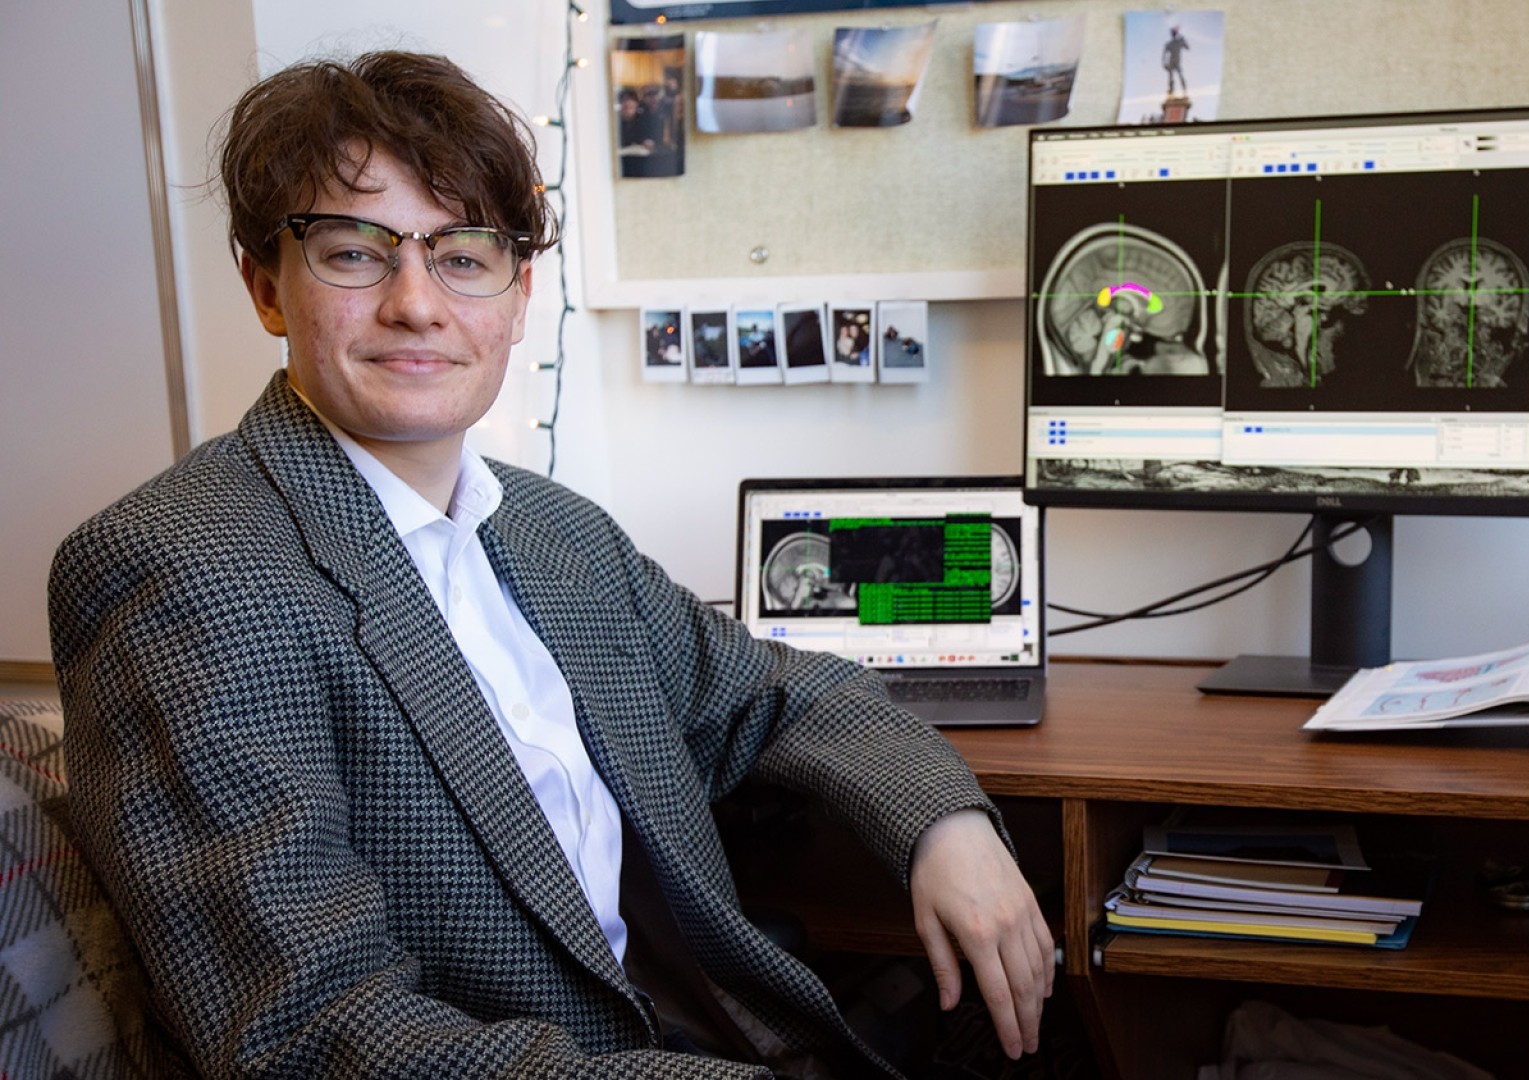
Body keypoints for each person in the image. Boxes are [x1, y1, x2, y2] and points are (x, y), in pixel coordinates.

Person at [48, 51, 1050, 1079]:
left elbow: (783, 692)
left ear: (518, 295)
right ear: (267, 285)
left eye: (464, 256)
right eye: (354, 253)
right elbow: (312, 1037)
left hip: (710, 1026)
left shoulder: (551, 529)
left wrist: (945, 825)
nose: (417, 303)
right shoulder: (182, 572)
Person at [1162, 25, 1190, 96]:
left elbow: (1187, 47)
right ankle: (1171, 91)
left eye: (1174, 33)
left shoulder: (1179, 42)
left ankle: (1184, 90)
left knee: (1180, 75)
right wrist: (1164, 63)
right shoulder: (1169, 44)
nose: (1173, 35)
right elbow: (1164, 54)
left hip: (1177, 62)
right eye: (1173, 34)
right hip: (1171, 62)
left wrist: (1183, 40)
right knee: (1171, 77)